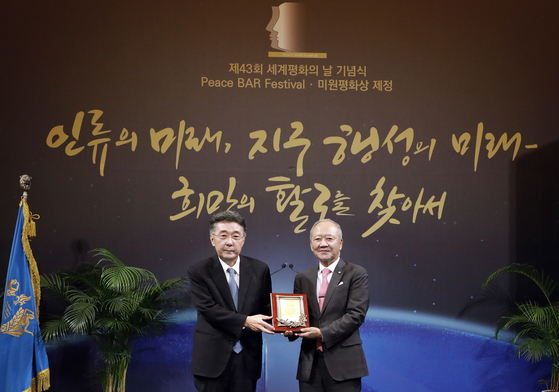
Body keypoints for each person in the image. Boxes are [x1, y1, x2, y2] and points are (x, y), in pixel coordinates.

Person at [188, 211, 274, 392]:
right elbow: (208, 309)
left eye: (236, 236)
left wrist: (288, 325)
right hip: (212, 360)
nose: (229, 242)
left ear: (243, 239)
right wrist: (246, 321)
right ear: (212, 239)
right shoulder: (199, 271)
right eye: (223, 236)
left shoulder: (260, 269)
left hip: (247, 358)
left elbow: (267, 308)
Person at [285, 219, 369, 391]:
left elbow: (356, 315)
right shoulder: (302, 277)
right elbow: (299, 317)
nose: (323, 244)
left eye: (329, 239)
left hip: (344, 365)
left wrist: (322, 333)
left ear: (340, 243)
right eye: (317, 239)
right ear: (311, 244)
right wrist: (290, 330)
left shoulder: (356, 273)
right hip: (310, 366)